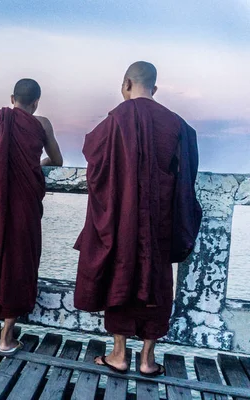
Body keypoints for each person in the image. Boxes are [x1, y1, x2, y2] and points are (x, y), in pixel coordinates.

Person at [74, 61, 201, 376]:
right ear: (154, 88)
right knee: (157, 281)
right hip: (161, 220)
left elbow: (93, 156)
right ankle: (147, 360)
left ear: (126, 83)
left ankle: (119, 355)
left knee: (122, 276)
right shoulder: (177, 124)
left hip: (122, 218)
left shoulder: (117, 118)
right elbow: (186, 175)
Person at [0, 78, 63, 353]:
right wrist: (36, 163)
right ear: (36, 102)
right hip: (23, 207)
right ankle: (7, 336)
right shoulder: (41, 124)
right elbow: (57, 160)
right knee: (18, 262)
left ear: (12, 97)